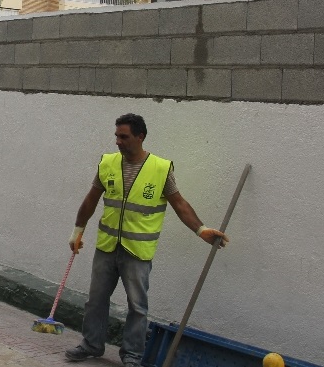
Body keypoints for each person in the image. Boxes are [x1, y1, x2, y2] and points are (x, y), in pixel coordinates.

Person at [64, 113, 230, 367]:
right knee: (95, 300)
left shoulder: (160, 169)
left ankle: (131, 356)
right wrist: (77, 231)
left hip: (138, 251)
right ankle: (91, 345)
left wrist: (201, 230)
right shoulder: (107, 163)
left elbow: (180, 204)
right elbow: (91, 199)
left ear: (140, 137)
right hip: (107, 246)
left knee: (137, 306)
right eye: (116, 136)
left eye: (124, 136)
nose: (118, 141)